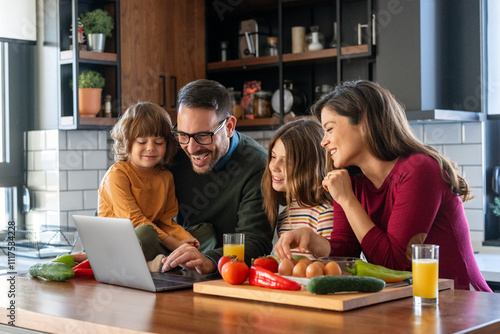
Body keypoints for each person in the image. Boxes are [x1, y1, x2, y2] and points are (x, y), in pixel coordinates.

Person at [273, 80, 492, 292]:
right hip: (410, 300)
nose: (323, 141)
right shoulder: (351, 180)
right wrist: (311, 239)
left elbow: (393, 264)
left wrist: (347, 200)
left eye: (329, 129)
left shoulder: (419, 170)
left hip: (459, 300)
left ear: (364, 124)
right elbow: (347, 253)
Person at [161, 79, 273, 274]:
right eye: (183, 135)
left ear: (229, 126)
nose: (191, 148)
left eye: (203, 136)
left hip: (225, 277)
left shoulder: (257, 165)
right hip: (169, 269)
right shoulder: (170, 151)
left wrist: (210, 260)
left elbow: (256, 242)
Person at [98, 102, 199, 264]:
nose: (151, 148)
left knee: (205, 232)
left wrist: (187, 241)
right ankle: (162, 261)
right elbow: (134, 221)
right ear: (127, 143)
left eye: (158, 143)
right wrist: (175, 244)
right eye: (142, 142)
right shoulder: (117, 175)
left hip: (153, 238)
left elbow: (166, 221)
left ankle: (164, 261)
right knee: (145, 232)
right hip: (117, 243)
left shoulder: (166, 177)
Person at [261, 119, 333, 260]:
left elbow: (334, 266)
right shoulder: (285, 215)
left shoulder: (324, 214)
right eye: (273, 156)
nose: (274, 167)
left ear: (309, 167)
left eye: (286, 161)